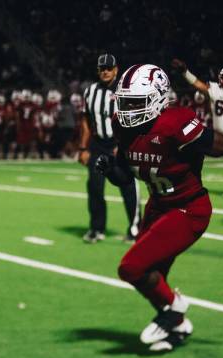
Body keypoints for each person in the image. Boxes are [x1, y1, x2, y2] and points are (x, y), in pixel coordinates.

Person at [97, 64, 223, 352]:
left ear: (158, 99)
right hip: (158, 205)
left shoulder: (175, 124)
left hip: (188, 209)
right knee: (151, 276)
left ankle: (175, 309)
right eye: (125, 102)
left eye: (136, 103)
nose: (128, 109)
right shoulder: (122, 125)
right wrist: (112, 172)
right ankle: (177, 327)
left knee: (130, 268)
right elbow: (128, 175)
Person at [78, 53, 140, 243]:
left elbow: (134, 121)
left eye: (109, 68)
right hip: (98, 145)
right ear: (98, 70)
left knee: (128, 187)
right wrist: (83, 148)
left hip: (119, 144)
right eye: (102, 68)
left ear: (116, 69)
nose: (105, 71)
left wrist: (124, 145)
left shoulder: (126, 91)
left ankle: (136, 229)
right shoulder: (90, 92)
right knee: (95, 187)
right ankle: (97, 229)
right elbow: (86, 120)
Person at [172, 59, 223, 199]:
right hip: (218, 131)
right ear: (220, 79)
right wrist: (186, 72)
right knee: (198, 155)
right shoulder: (215, 89)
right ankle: (190, 183)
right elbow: (198, 85)